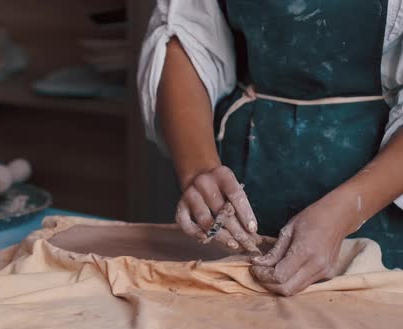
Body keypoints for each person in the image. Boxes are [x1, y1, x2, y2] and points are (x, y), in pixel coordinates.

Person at [138, 0, 403, 296]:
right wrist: (199, 168)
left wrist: (346, 211)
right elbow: (185, 36)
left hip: (379, 194)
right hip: (245, 172)